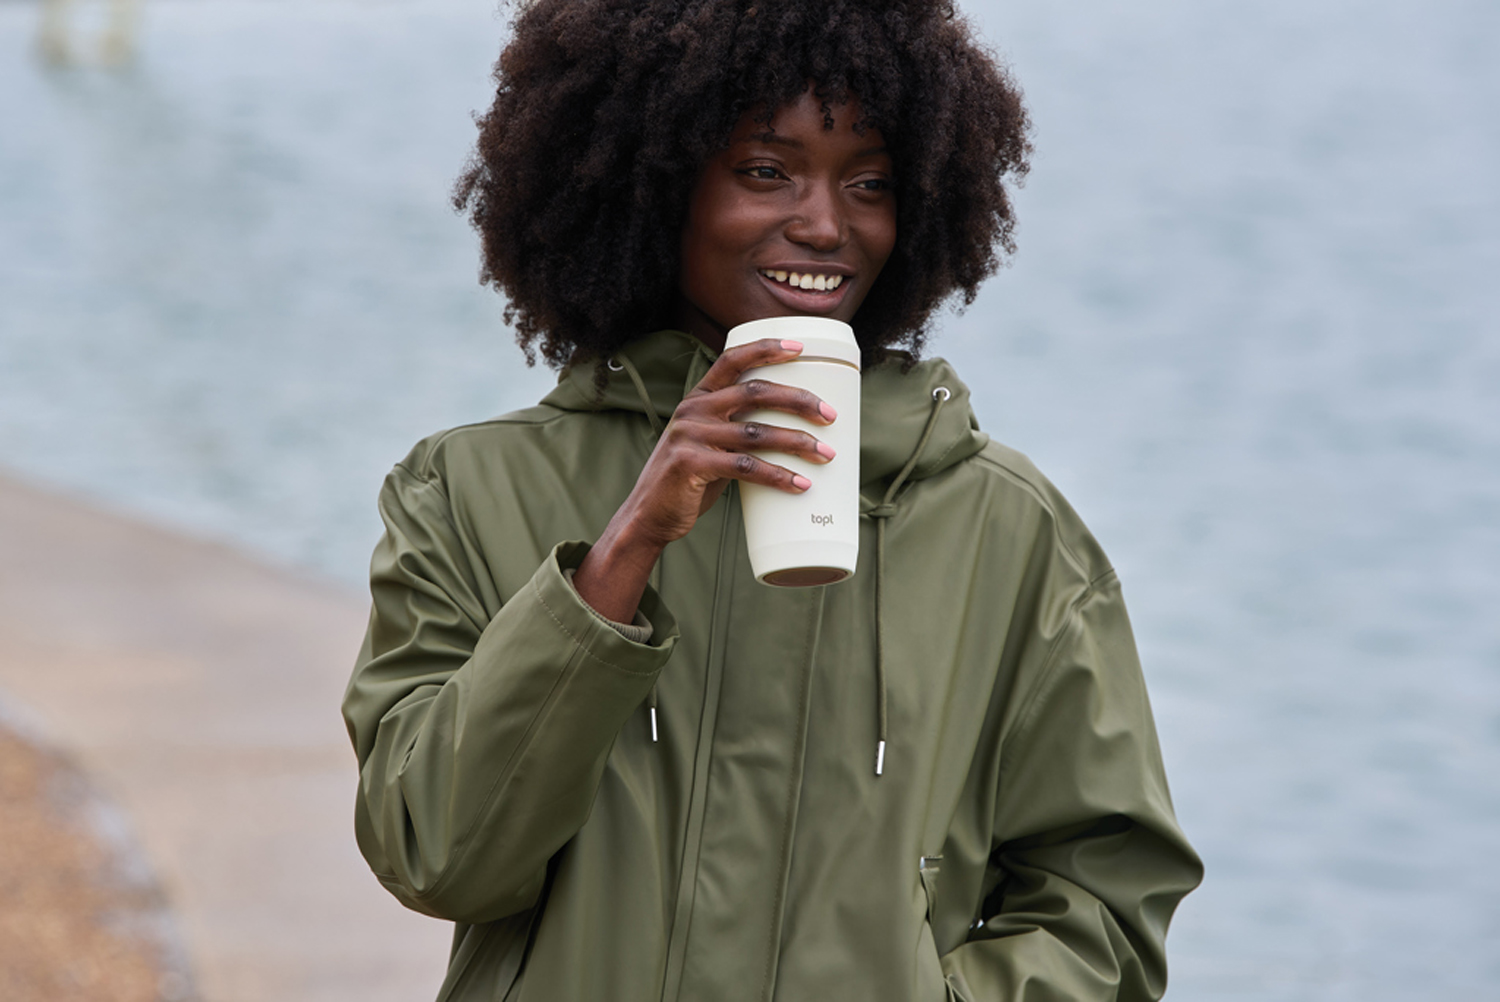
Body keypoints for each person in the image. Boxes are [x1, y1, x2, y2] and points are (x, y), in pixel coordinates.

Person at [341, 1, 1203, 1000]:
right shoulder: (466, 490)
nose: (826, 225)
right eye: (766, 170)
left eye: (870, 183)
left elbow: (1105, 903)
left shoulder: (1011, 531)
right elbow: (435, 854)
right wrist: (621, 555)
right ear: (656, 180)